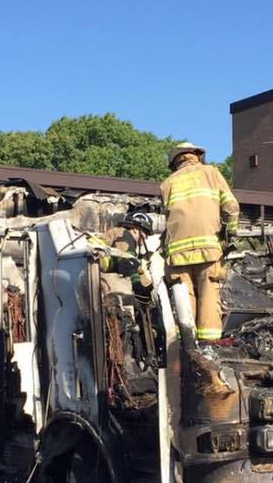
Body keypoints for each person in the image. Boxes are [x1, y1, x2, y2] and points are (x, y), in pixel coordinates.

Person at [159, 142, 239, 343]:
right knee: (208, 294)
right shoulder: (211, 173)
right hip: (209, 249)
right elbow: (230, 206)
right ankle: (209, 345)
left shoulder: (167, 183)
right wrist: (230, 234)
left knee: (183, 297)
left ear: (174, 162)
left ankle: (185, 345)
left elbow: (166, 220)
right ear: (196, 156)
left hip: (177, 253)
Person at [101, 211, 156, 294]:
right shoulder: (125, 236)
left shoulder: (119, 234)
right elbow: (127, 262)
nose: (146, 238)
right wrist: (137, 285)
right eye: (146, 233)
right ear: (135, 230)